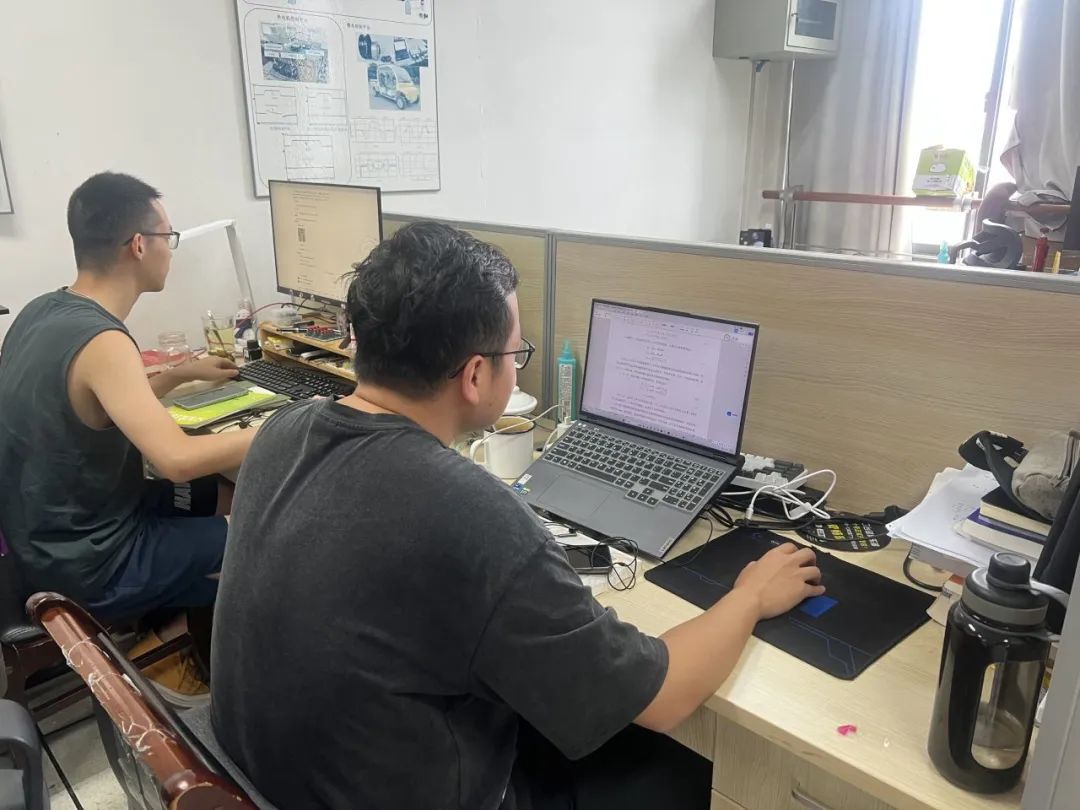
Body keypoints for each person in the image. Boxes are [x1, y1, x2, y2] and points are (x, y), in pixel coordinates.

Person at [211, 222, 825, 809]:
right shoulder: (474, 516)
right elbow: (663, 699)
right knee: (676, 770)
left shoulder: (281, 432)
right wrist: (749, 596)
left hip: (259, 781)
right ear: (476, 375)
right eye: (516, 353)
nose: (516, 365)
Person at [0, 172, 257, 622]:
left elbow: (94, 404)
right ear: (139, 245)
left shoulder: (42, 310)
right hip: (95, 563)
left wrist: (178, 375)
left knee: (224, 493)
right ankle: (185, 647)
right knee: (266, 531)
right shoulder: (103, 340)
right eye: (169, 238)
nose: (170, 251)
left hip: (53, 535)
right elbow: (177, 459)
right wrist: (289, 426)